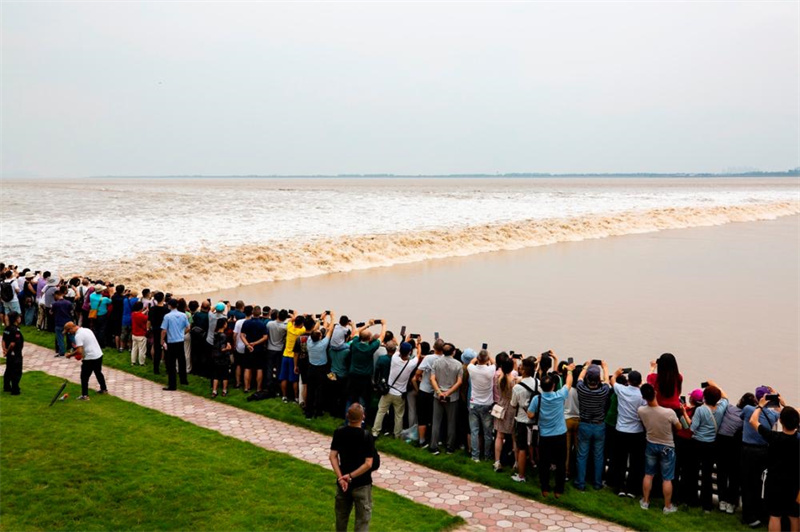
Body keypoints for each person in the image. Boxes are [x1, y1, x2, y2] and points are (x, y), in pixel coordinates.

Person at [748, 398, 799, 532]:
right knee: (794, 516)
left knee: (775, 516)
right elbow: (795, 415)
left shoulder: (773, 437)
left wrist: (760, 406)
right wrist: (785, 405)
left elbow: (753, 421)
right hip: (794, 482)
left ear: (780, 421)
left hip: (775, 481)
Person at [527, 362, 575, 498]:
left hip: (545, 436)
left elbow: (530, 415)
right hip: (560, 434)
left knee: (544, 463)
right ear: (553, 386)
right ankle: (559, 489)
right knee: (560, 463)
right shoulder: (559, 395)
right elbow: (569, 384)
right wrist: (570, 371)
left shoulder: (538, 399)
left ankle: (545, 488)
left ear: (541, 387)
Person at [740, 385, 782, 527]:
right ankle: (757, 512)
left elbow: (744, 417)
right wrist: (776, 397)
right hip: (764, 452)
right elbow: (781, 413)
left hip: (747, 451)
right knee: (758, 484)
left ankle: (747, 515)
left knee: (747, 483)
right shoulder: (773, 415)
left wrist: (760, 406)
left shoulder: (748, 410)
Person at [329, 403, 375, 532]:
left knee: (341, 518)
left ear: (347, 416)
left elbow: (332, 456)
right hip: (362, 484)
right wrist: (350, 476)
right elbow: (368, 463)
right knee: (362, 521)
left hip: (343, 484)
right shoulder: (366, 436)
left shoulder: (339, 432)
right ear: (363, 417)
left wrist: (341, 477)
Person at [637, 383, 682, 514]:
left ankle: (645, 501)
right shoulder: (668, 412)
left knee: (648, 474)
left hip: (651, 443)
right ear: (655, 393)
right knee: (667, 478)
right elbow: (679, 427)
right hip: (667, 446)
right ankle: (667, 506)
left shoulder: (641, 410)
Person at [689, 381, 729, 512]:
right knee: (707, 474)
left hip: (697, 443)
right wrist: (715, 384)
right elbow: (725, 397)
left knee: (694, 472)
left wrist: (684, 413)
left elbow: (693, 428)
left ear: (704, 397)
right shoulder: (721, 408)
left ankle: (693, 500)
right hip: (712, 444)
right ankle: (707, 504)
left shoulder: (700, 410)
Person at [717, 392, 757, 514]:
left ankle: (722, 501)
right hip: (736, 447)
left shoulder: (729, 408)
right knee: (734, 475)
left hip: (721, 443)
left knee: (722, 473)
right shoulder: (749, 417)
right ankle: (731, 502)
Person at [574, 361, 611, 491]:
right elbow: (607, 380)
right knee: (599, 456)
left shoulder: (581, 389)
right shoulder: (604, 391)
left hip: (584, 424)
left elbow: (579, 378)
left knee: (582, 455)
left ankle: (580, 483)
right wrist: (605, 367)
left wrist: (586, 366)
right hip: (599, 426)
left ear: (587, 378)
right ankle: (597, 483)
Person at [610, 368, 647, 498]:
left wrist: (617, 372)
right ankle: (632, 489)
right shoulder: (642, 395)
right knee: (635, 462)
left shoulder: (622, 390)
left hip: (621, 430)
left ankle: (619, 486)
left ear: (628, 381)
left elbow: (612, 380)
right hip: (637, 432)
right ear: (640, 382)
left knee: (620, 460)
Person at [372, 340, 415, 437]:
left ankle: (375, 431)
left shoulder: (394, 359)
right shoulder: (410, 364)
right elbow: (418, 357)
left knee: (381, 411)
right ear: (410, 352)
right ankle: (397, 434)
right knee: (398, 415)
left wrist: (403, 339)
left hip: (388, 391)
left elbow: (397, 350)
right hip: (400, 393)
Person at [428, 342, 463, 455]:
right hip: (452, 397)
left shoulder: (436, 362)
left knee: (436, 421)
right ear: (453, 352)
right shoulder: (458, 364)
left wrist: (439, 392)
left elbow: (432, 379)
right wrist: (448, 392)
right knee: (451, 422)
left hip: (438, 396)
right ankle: (450, 447)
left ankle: (433, 446)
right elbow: (459, 382)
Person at [346, 320, 385, 413]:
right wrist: (384, 324)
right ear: (369, 339)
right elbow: (382, 337)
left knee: (351, 398)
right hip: (365, 378)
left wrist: (368, 325)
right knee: (362, 399)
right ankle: (361, 422)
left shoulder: (355, 344)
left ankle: (348, 418)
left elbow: (356, 332)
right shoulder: (370, 348)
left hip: (353, 376)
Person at [509, 356, 538, 482]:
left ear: (524, 371)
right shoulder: (538, 383)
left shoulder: (517, 387)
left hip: (522, 420)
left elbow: (513, 404)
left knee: (521, 448)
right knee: (534, 445)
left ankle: (521, 476)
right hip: (535, 420)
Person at [64, 321, 108, 400]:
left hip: (90, 357)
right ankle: (104, 389)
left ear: (71, 328)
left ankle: (85, 395)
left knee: (84, 376)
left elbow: (79, 351)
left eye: (69, 331)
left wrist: (70, 355)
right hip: (98, 354)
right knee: (98, 372)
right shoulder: (87, 330)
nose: (69, 333)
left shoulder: (78, 335)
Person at [467, 349, 496, 463]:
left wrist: (478, 357)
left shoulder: (472, 369)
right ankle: (487, 455)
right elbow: (494, 363)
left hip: (474, 403)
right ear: (487, 359)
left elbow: (471, 362)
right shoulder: (490, 370)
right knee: (487, 433)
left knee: (474, 431)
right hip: (487, 404)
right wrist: (489, 355)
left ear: (478, 359)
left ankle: (475, 456)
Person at [415, 339, 444, 448]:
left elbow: (418, 372)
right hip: (437, 392)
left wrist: (418, 379)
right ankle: (435, 439)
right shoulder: (444, 359)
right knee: (435, 417)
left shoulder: (428, 358)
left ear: (434, 347)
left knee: (422, 416)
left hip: (425, 389)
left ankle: (422, 440)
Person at [306, 312, 335, 419]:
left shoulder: (309, 341)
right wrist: (332, 317)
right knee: (320, 391)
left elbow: (314, 330)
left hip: (311, 368)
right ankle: (318, 411)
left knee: (310, 391)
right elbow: (330, 330)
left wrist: (320, 319)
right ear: (319, 337)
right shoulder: (323, 344)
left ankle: (308, 412)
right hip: (321, 370)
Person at [161, 298, 190, 391]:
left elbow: (164, 330)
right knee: (182, 361)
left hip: (171, 341)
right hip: (180, 340)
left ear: (169, 306)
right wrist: (182, 333)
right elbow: (188, 327)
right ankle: (183, 380)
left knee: (171, 363)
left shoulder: (167, 316)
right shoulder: (183, 315)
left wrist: (161, 340)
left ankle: (172, 385)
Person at [492, 357, 516, 470]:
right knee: (514, 437)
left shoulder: (499, 378)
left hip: (501, 406)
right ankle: (516, 462)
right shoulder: (514, 381)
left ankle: (497, 461)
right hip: (511, 408)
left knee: (499, 436)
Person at [241, 306, 269, 393]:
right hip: (259, 349)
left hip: (248, 348)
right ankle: (258, 388)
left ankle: (246, 387)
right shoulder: (262, 324)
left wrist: (247, 345)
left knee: (247, 368)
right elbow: (265, 337)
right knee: (259, 369)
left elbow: (242, 335)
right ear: (260, 313)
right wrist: (255, 343)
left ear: (252, 313)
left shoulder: (246, 322)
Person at [280, 313, 307, 402]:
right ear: (302, 324)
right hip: (293, 358)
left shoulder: (289, 328)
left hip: (285, 355)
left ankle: (284, 396)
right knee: (294, 379)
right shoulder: (301, 331)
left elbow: (290, 320)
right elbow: (311, 328)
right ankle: (295, 397)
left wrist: (295, 316)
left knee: (284, 377)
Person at [265, 309, 288, 394]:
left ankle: (268, 385)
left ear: (278, 315)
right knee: (279, 369)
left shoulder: (269, 324)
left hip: (270, 348)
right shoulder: (285, 327)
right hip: (280, 349)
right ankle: (278, 386)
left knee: (269, 368)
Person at [2, 311, 23, 395]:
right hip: (15, 354)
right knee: (17, 372)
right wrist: (8, 351)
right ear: (16, 319)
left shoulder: (7, 329)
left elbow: (3, 340)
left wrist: (4, 350)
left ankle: (6, 387)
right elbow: (13, 343)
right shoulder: (16, 330)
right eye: (18, 317)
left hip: (9, 355)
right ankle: (15, 389)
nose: (20, 318)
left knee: (8, 370)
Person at [210, 318, 232, 398]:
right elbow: (222, 348)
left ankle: (214, 391)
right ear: (224, 325)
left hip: (215, 356)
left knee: (216, 375)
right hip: (223, 357)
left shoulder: (215, 334)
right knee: (225, 374)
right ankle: (224, 390)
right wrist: (228, 348)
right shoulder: (223, 336)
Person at [147, 292, 169, 374]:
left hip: (156, 330)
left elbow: (149, 321)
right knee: (167, 349)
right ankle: (167, 368)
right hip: (165, 330)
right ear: (163, 299)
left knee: (157, 349)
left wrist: (148, 329)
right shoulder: (166, 309)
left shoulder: (152, 309)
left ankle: (156, 369)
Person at [233, 305, 253, 390]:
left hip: (239, 346)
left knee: (238, 365)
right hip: (248, 346)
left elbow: (235, 335)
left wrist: (235, 344)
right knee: (247, 367)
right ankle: (247, 385)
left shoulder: (238, 322)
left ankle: (237, 383)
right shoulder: (252, 322)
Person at [52, 288, 74, 357]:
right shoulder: (68, 303)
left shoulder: (55, 304)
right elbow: (71, 312)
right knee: (71, 337)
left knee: (60, 338)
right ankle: (77, 347)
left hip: (59, 322)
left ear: (57, 295)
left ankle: (61, 352)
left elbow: (51, 312)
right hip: (68, 322)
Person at [130, 301, 148, 366]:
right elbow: (144, 317)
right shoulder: (143, 317)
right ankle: (142, 362)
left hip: (134, 334)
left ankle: (133, 361)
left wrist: (145, 310)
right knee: (142, 350)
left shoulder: (133, 314)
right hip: (141, 334)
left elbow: (140, 314)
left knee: (134, 348)